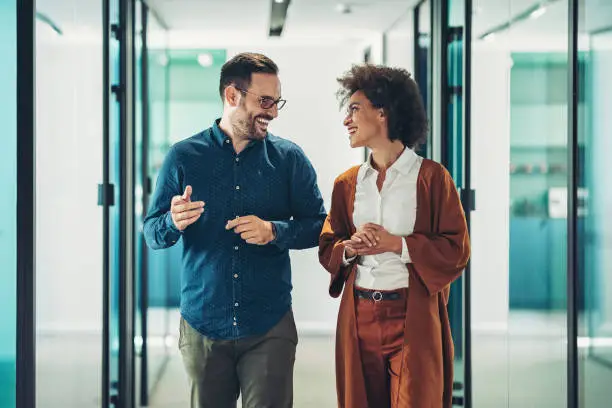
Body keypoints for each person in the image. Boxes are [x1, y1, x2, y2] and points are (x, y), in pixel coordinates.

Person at [144, 52, 327, 408]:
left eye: (277, 102)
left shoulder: (290, 159)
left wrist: (274, 231)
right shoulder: (183, 157)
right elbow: (152, 232)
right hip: (202, 326)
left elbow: (320, 227)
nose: (273, 112)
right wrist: (172, 222)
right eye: (265, 101)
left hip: (269, 325)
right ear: (232, 96)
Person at [318, 64, 470, 408]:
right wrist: (349, 248)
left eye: (355, 109)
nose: (347, 120)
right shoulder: (347, 184)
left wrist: (396, 244)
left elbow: (456, 248)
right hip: (359, 317)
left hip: (411, 316)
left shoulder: (433, 178)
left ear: (383, 112)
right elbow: (329, 244)